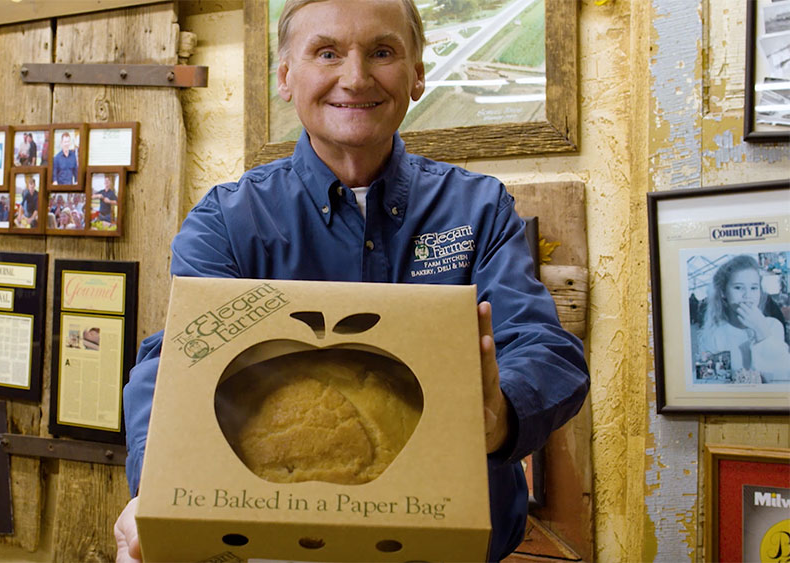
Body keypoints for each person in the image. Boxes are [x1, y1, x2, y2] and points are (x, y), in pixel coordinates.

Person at [115, 1, 589, 561]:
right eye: (327, 52)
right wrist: (160, 481)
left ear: (417, 75)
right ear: (286, 76)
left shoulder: (477, 209)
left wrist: (501, 418)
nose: (356, 77)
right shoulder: (228, 220)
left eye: (382, 52)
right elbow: (173, 363)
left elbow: (544, 349)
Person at [696, 254, 790, 383]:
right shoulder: (714, 335)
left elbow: (783, 376)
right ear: (723, 292)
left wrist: (761, 330)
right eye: (738, 287)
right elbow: (707, 381)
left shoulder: (773, 326)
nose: (748, 295)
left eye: (753, 288)